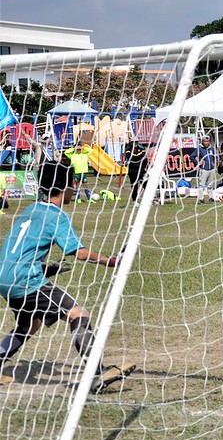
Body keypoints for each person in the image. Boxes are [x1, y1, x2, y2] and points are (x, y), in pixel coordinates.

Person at [0, 161, 134, 391]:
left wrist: (46, 269)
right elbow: (79, 253)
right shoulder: (57, 216)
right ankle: (96, 373)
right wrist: (112, 261)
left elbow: (21, 248)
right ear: (69, 186)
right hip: (25, 280)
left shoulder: (30, 209)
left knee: (30, 323)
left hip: (4, 277)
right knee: (77, 313)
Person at [194, 135, 217, 204]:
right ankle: (201, 199)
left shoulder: (211, 149)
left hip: (211, 169)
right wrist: (198, 162)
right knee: (202, 185)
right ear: (202, 141)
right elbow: (192, 156)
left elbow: (214, 156)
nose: (206, 143)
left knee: (210, 185)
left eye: (207, 141)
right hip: (204, 169)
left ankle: (211, 198)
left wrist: (214, 162)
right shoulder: (200, 149)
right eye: (205, 141)